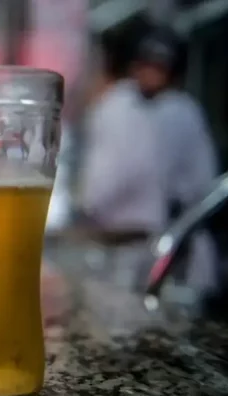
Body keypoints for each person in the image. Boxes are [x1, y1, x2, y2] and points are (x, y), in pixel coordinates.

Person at [131, 26, 220, 293]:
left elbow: (149, 177)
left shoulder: (177, 110)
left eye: (158, 67)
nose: (148, 73)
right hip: (169, 237)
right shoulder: (147, 107)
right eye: (145, 64)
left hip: (184, 241)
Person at [77, 30, 166, 289]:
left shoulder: (113, 109)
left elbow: (102, 187)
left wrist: (81, 210)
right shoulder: (130, 105)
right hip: (136, 240)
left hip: (128, 244)